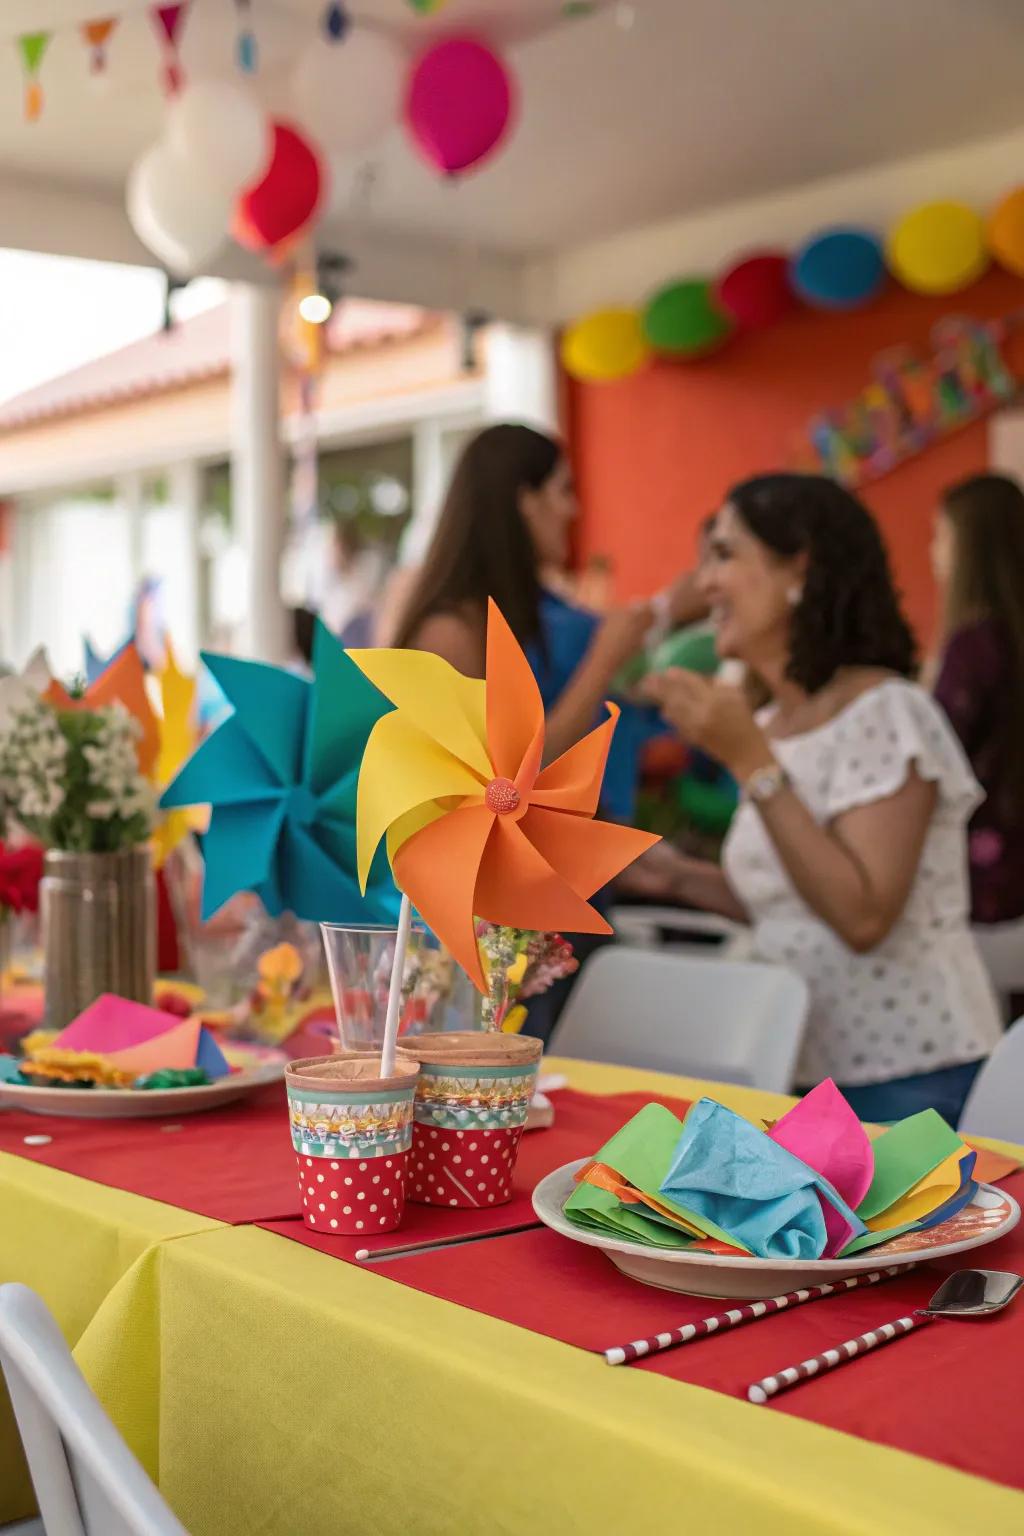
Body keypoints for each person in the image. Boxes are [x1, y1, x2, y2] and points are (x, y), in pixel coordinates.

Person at [644, 472, 1002, 1125]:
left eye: (725, 555)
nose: (706, 584)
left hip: (909, 1077)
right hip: (793, 1069)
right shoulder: (776, 724)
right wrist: (666, 874)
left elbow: (862, 917)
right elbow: (791, 904)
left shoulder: (889, 711)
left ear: (798, 567)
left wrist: (751, 760)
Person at [394, 423, 701, 822]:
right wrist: (602, 662)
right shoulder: (450, 632)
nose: (573, 509)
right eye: (563, 490)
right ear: (525, 500)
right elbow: (504, 787)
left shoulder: (536, 609)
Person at [930, 473, 1024, 924]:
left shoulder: (973, 648)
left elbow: (940, 757)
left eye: (941, 536)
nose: (934, 551)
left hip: (989, 887)